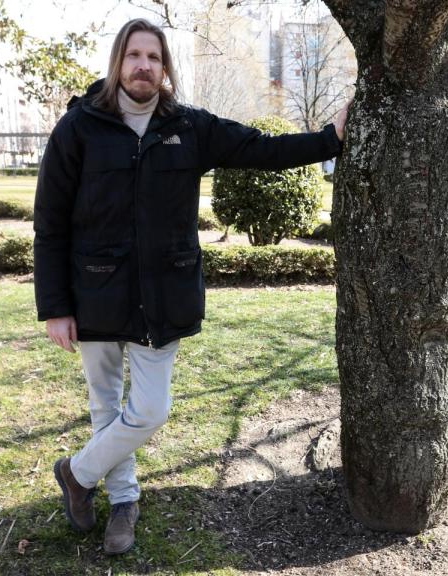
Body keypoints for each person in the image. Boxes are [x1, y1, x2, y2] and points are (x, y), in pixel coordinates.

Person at [33, 18, 347, 556]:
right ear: (118, 61)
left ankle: (77, 474)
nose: (143, 66)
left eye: (154, 57)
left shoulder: (189, 126)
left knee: (150, 409)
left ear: (165, 68)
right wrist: (55, 307)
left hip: (164, 295)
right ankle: (123, 501)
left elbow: (260, 149)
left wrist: (328, 140)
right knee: (105, 406)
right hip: (95, 292)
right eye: (134, 55)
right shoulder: (79, 127)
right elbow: (50, 221)